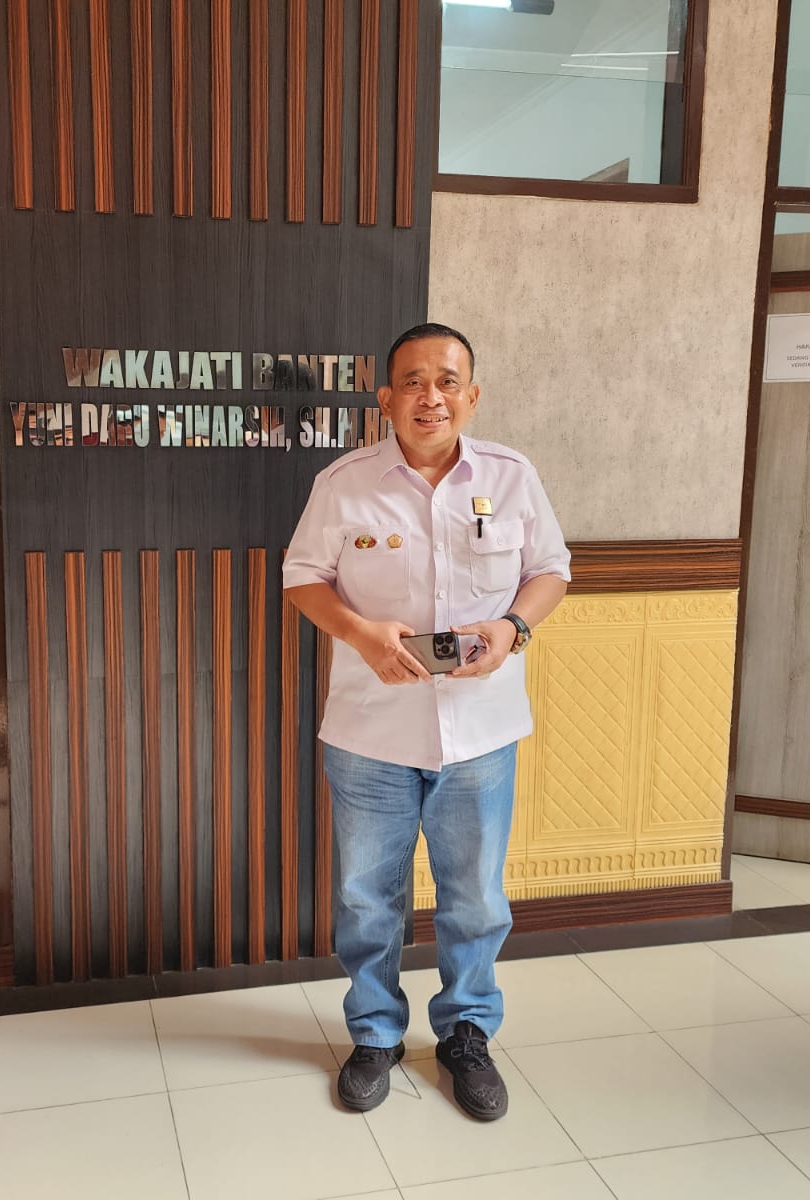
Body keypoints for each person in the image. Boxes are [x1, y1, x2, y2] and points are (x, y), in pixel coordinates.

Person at [282, 322, 570, 1120]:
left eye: (447, 381)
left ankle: (466, 1034)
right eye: (412, 381)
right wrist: (358, 633)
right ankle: (375, 1034)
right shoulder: (344, 483)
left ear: (471, 395)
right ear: (386, 398)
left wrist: (512, 628)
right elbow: (302, 576)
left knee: (474, 897)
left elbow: (552, 570)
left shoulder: (512, 476)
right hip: (371, 731)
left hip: (480, 730)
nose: (430, 396)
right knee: (366, 899)